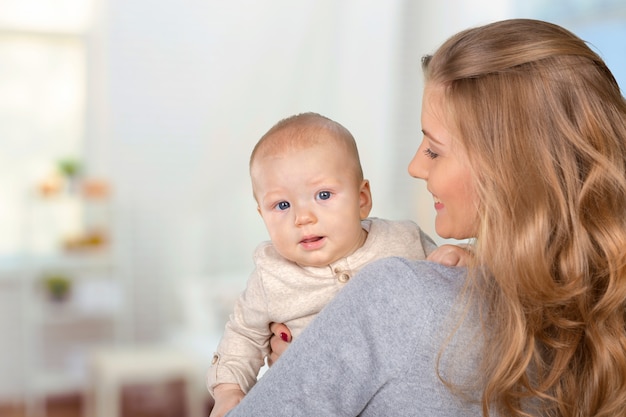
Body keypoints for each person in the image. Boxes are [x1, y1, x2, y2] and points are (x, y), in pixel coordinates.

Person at [222, 19, 626, 417]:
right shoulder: (603, 315)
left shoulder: (394, 292)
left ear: (509, 169)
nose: (415, 166)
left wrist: (319, 368)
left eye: (434, 150)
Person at [207, 112, 468, 417]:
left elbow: (446, 302)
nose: (302, 217)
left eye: (323, 195)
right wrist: (228, 391)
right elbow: (242, 337)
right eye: (282, 205)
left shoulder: (403, 240)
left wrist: (464, 263)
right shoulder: (270, 276)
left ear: (362, 199)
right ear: (261, 215)